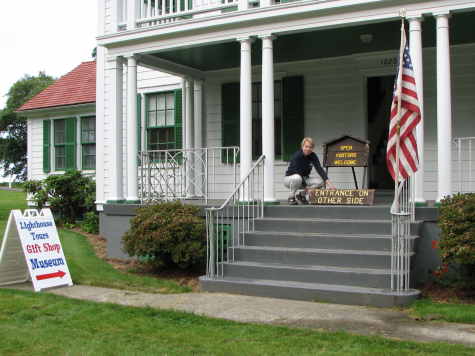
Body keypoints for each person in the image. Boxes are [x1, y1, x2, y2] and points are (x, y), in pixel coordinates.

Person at [284, 137, 336, 205]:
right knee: (297, 177)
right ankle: (291, 197)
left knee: (321, 182)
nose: (308, 149)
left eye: (310, 147)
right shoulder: (297, 156)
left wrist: (330, 184)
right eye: (306, 146)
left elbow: (319, 169)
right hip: (290, 179)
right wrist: (307, 188)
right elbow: (298, 173)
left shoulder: (313, 155)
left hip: (304, 179)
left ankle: (301, 195)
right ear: (302, 146)